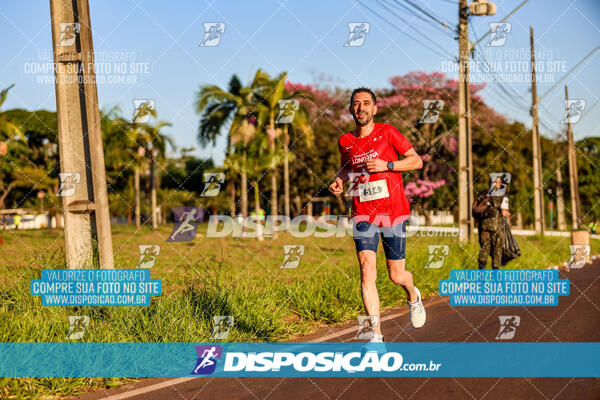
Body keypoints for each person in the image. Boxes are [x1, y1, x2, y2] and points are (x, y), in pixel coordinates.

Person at [329, 87, 425, 343]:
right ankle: (376, 336)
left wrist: (388, 165)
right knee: (366, 269)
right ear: (351, 109)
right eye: (356, 104)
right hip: (363, 213)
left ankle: (413, 295)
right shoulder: (346, 141)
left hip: (393, 213)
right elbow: (346, 167)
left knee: (396, 275)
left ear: (375, 108)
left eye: (366, 103)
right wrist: (339, 181)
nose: (361, 108)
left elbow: (416, 161)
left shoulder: (388, 132)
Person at [472, 190, 504, 269]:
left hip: (484, 227)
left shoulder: (484, 193)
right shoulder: (499, 194)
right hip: (496, 227)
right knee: (497, 250)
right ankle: (495, 277)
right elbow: (502, 209)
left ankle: (481, 277)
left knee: (484, 249)